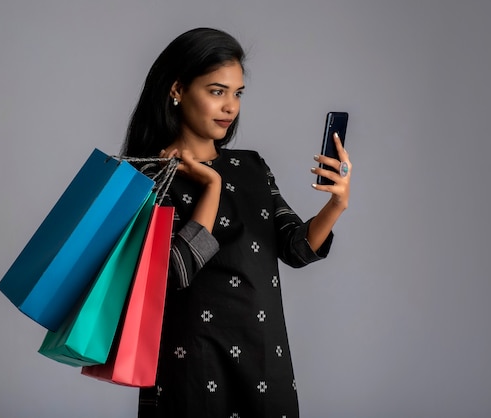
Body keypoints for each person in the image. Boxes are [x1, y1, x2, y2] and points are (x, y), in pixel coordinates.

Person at [122, 27, 351, 418]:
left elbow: (295, 248)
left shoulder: (252, 166)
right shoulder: (148, 176)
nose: (230, 106)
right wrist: (211, 187)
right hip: (190, 365)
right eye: (217, 91)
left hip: (264, 359)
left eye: (237, 93)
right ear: (177, 90)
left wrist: (336, 204)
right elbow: (174, 271)